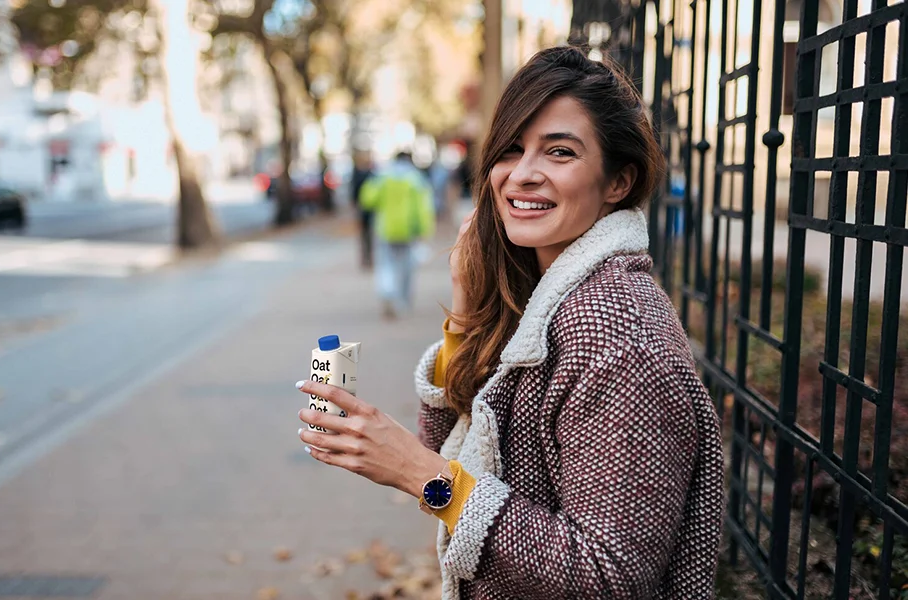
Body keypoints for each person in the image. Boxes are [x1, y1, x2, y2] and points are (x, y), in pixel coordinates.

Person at [296, 46, 724, 599]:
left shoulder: (618, 336)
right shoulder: (546, 298)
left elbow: (609, 577)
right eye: (511, 150)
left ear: (618, 182)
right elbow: (457, 446)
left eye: (560, 152)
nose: (522, 175)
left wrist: (420, 475)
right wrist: (467, 310)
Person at [359, 151, 435, 319]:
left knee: (386, 264)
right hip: (409, 229)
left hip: (385, 229)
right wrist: (423, 230)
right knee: (407, 267)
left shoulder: (382, 176)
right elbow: (423, 207)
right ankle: (403, 301)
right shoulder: (415, 178)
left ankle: (387, 292)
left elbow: (367, 199)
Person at [350, 151, 375, 269]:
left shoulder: (366, 174)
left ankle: (367, 257)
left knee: (367, 234)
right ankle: (367, 257)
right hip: (365, 208)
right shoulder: (369, 174)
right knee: (366, 234)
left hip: (366, 207)